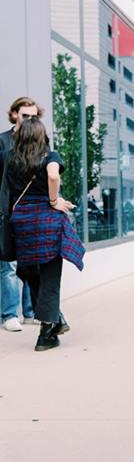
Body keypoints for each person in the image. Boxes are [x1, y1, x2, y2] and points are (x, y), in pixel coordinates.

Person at [5, 115, 84, 352]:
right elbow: (53, 175)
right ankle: (46, 334)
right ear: (41, 136)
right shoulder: (49, 156)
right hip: (47, 222)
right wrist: (53, 200)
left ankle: (56, 319)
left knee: (28, 272)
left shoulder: (11, 159)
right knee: (49, 277)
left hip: (22, 223)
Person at [0, 97, 41, 332]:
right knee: (9, 264)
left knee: (29, 261)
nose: (29, 120)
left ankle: (29, 312)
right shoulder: (2, 142)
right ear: (15, 114)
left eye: (34, 116)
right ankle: (9, 314)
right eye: (25, 115)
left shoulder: (37, 142)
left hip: (30, 211)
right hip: (6, 211)